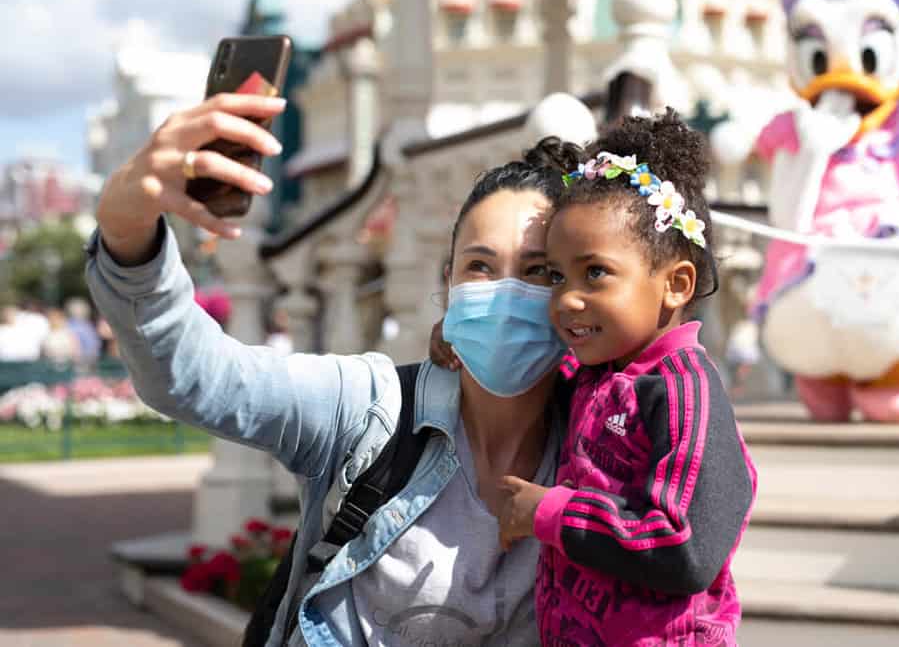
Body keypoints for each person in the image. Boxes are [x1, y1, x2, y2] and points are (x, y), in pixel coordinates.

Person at [84, 89, 591, 647]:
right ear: (447, 287)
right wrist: (127, 227)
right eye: (480, 266)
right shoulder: (370, 409)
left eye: (537, 270)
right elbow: (195, 375)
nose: (503, 292)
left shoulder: (610, 445)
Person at [491, 111, 758, 645]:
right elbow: (517, 381)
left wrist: (551, 513)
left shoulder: (683, 390)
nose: (566, 298)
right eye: (556, 275)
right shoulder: (593, 374)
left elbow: (685, 545)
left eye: (595, 273)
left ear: (676, 284)